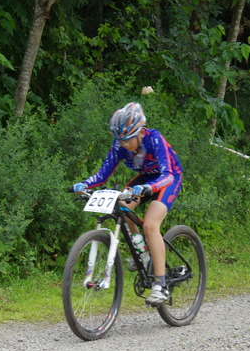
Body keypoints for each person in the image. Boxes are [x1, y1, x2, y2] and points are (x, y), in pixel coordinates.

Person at [72, 102, 183, 305]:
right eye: (119, 140)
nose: (123, 145)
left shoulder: (154, 138)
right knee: (122, 206)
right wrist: (85, 184)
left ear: (140, 132)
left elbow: (167, 173)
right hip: (145, 179)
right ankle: (142, 252)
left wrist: (151, 188)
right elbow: (103, 174)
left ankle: (161, 284)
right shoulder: (120, 145)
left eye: (127, 140)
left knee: (150, 224)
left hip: (167, 179)